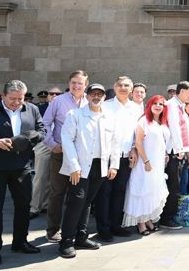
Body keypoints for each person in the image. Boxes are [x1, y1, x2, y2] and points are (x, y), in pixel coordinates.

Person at [58, 84, 119, 259]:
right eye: (93, 93)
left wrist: (113, 165)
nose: (96, 96)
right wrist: (74, 166)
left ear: (104, 97)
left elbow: (115, 142)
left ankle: (81, 237)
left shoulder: (109, 117)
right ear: (87, 95)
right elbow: (67, 140)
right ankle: (66, 241)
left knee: (87, 202)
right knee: (76, 202)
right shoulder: (75, 115)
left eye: (100, 94)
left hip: (100, 166)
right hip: (80, 167)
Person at [0, 80, 45, 266]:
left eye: (20, 99)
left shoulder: (32, 109)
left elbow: (42, 130)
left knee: (23, 206)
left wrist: (30, 139)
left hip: (21, 166)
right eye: (12, 99)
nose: (16, 102)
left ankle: (20, 242)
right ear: (3, 95)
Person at [43, 70, 88, 243]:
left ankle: (74, 229)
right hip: (61, 154)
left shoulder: (89, 102)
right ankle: (53, 229)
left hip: (82, 157)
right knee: (57, 193)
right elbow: (45, 123)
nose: (76, 86)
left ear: (86, 84)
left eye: (80, 83)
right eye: (73, 82)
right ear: (69, 84)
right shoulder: (58, 101)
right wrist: (52, 145)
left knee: (78, 194)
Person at [95, 76, 141, 241]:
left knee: (120, 191)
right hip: (107, 157)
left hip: (126, 157)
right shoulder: (105, 106)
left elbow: (138, 133)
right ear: (114, 87)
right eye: (120, 85)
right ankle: (103, 228)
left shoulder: (136, 109)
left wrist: (135, 150)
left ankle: (116, 225)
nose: (123, 88)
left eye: (126, 85)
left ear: (131, 89)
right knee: (104, 192)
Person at [122, 95, 170, 236]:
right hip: (145, 163)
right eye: (155, 103)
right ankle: (141, 223)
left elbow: (162, 142)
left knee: (152, 191)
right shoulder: (144, 121)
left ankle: (148, 218)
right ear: (149, 105)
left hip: (158, 163)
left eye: (161, 104)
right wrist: (146, 161)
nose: (158, 106)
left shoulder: (161, 122)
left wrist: (165, 154)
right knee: (142, 190)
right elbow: (138, 143)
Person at [160, 81, 189, 229]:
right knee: (173, 187)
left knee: (176, 186)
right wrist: (180, 150)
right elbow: (174, 128)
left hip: (180, 152)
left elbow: (185, 131)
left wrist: (187, 152)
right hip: (174, 153)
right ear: (180, 91)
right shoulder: (171, 105)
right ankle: (166, 218)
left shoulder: (180, 106)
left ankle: (170, 215)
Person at [30, 86, 62, 219]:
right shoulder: (39, 108)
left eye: (57, 93)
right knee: (40, 176)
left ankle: (45, 204)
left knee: (52, 178)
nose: (54, 95)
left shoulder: (64, 107)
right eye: (51, 93)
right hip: (44, 144)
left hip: (59, 145)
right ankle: (34, 206)